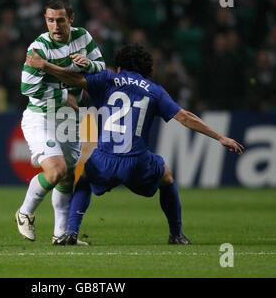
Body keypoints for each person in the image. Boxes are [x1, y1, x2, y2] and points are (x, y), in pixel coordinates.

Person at [25, 43, 244, 245]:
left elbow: (73, 79)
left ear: (119, 66)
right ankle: (176, 234)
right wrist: (220, 137)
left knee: (85, 179)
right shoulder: (154, 90)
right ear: (147, 69)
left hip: (104, 159)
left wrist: (44, 65)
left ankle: (71, 232)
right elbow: (185, 117)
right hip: (136, 162)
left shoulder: (107, 79)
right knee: (166, 177)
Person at [15, 0, 106, 245]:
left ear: (71, 19)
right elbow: (26, 87)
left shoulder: (83, 37)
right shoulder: (38, 48)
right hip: (41, 117)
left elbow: (101, 67)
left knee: (67, 177)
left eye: (60, 20)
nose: (55, 26)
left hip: (68, 119)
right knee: (56, 171)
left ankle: (61, 235)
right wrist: (64, 95)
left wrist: (89, 64)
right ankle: (25, 212)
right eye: (50, 20)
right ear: (45, 20)